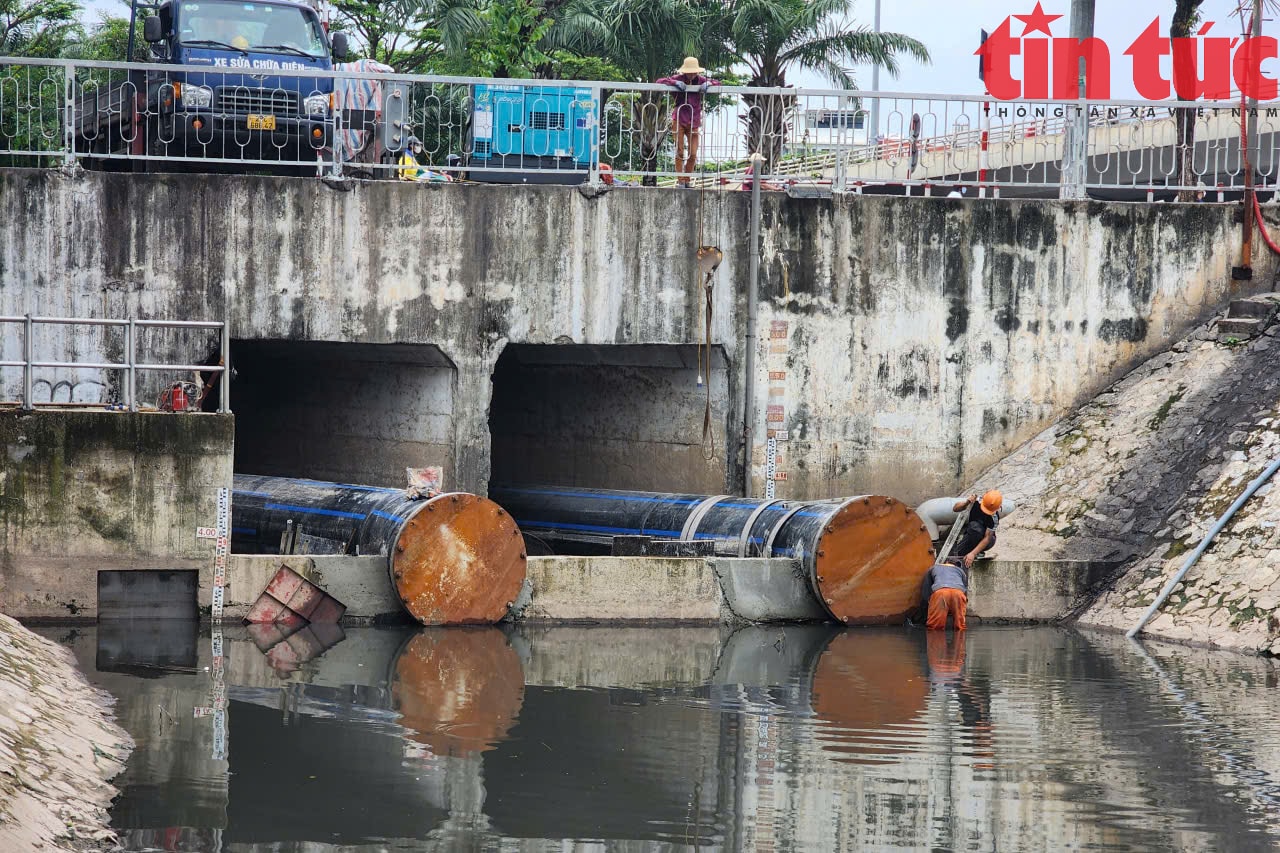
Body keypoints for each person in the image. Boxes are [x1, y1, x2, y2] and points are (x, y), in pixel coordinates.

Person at [657, 57, 719, 187]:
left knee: (693, 153)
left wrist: (710, 84)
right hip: (679, 119)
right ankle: (681, 180)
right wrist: (674, 83)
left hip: (694, 120)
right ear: (684, 72)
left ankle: (687, 179)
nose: (691, 75)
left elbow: (718, 83)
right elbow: (660, 81)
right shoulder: (678, 79)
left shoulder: (701, 80)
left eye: (694, 72)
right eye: (689, 72)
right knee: (680, 151)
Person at [949, 490, 1002, 568]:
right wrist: (966, 502)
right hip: (972, 534)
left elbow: (987, 538)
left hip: (987, 541)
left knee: (976, 528)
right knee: (959, 553)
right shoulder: (976, 501)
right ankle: (963, 554)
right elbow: (955, 508)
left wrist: (973, 554)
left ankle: (978, 551)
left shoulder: (994, 518)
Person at [919, 560, 969, 631]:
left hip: (941, 592)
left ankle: (936, 640)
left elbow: (926, 590)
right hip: (958, 593)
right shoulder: (961, 571)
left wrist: (929, 604)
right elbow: (964, 588)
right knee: (960, 627)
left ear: (946, 562)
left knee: (935, 627)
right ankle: (960, 640)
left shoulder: (934, 568)